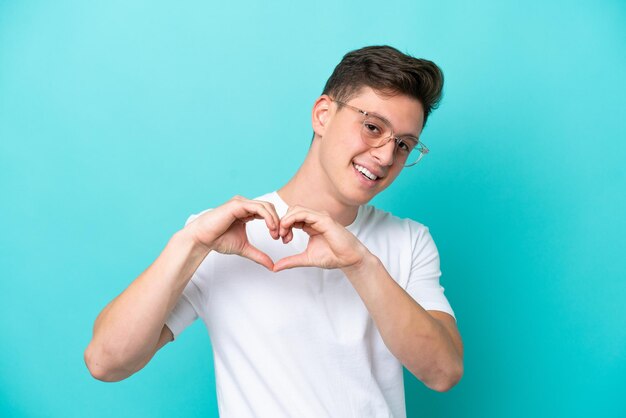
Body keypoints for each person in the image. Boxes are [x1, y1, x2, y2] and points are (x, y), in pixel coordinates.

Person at [84, 45, 464, 417]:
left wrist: (361, 264)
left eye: (403, 145)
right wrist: (192, 243)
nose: (385, 155)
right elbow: (106, 361)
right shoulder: (222, 237)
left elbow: (443, 372)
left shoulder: (409, 241)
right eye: (371, 127)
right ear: (323, 115)